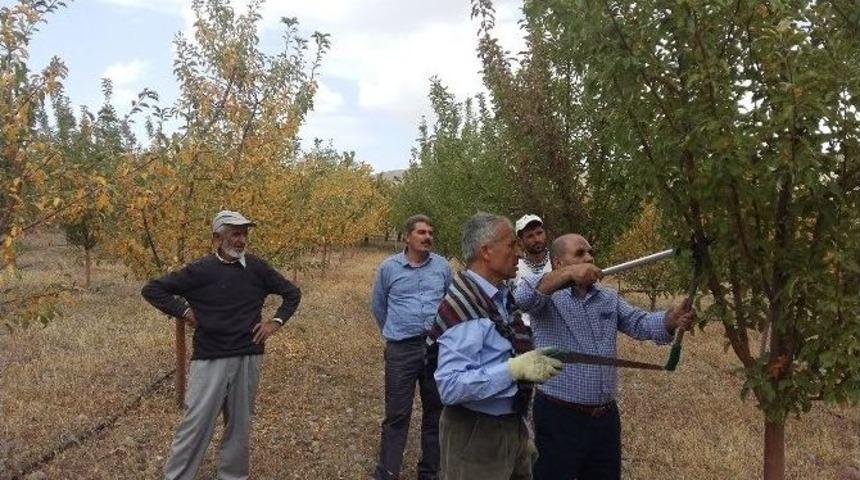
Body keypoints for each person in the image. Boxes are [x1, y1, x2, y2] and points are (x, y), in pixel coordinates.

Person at [514, 234, 694, 480]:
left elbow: (639, 323)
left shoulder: (607, 297)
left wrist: (668, 320)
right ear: (558, 263)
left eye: (590, 253)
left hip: (604, 420)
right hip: (559, 418)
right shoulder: (546, 298)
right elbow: (523, 298)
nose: (588, 258)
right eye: (579, 254)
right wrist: (567, 276)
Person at [141, 210, 301, 480]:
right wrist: (185, 312)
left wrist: (275, 322)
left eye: (244, 234)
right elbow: (153, 289)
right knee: (196, 423)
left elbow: (292, 293)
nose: (241, 240)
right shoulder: (200, 270)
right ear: (217, 237)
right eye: (235, 234)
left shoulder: (257, 268)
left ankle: (234, 476)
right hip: (210, 357)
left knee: (239, 424)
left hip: (248, 355)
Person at [428, 212, 563, 480]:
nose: (520, 254)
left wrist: (529, 357)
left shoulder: (499, 297)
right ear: (486, 251)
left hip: (512, 425)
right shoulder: (466, 305)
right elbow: (450, 386)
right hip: (477, 433)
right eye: (512, 245)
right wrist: (513, 370)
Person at [371, 214, 452, 480]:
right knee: (396, 414)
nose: (427, 236)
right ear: (407, 236)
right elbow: (379, 307)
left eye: (430, 232)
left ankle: (428, 473)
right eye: (421, 232)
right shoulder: (388, 268)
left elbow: (451, 305)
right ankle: (387, 472)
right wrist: (397, 331)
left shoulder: (442, 266)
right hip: (401, 351)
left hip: (436, 350)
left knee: (436, 414)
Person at [513, 214, 552, 288]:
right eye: (530, 236)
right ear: (520, 241)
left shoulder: (557, 261)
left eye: (539, 233)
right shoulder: (515, 269)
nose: (537, 239)